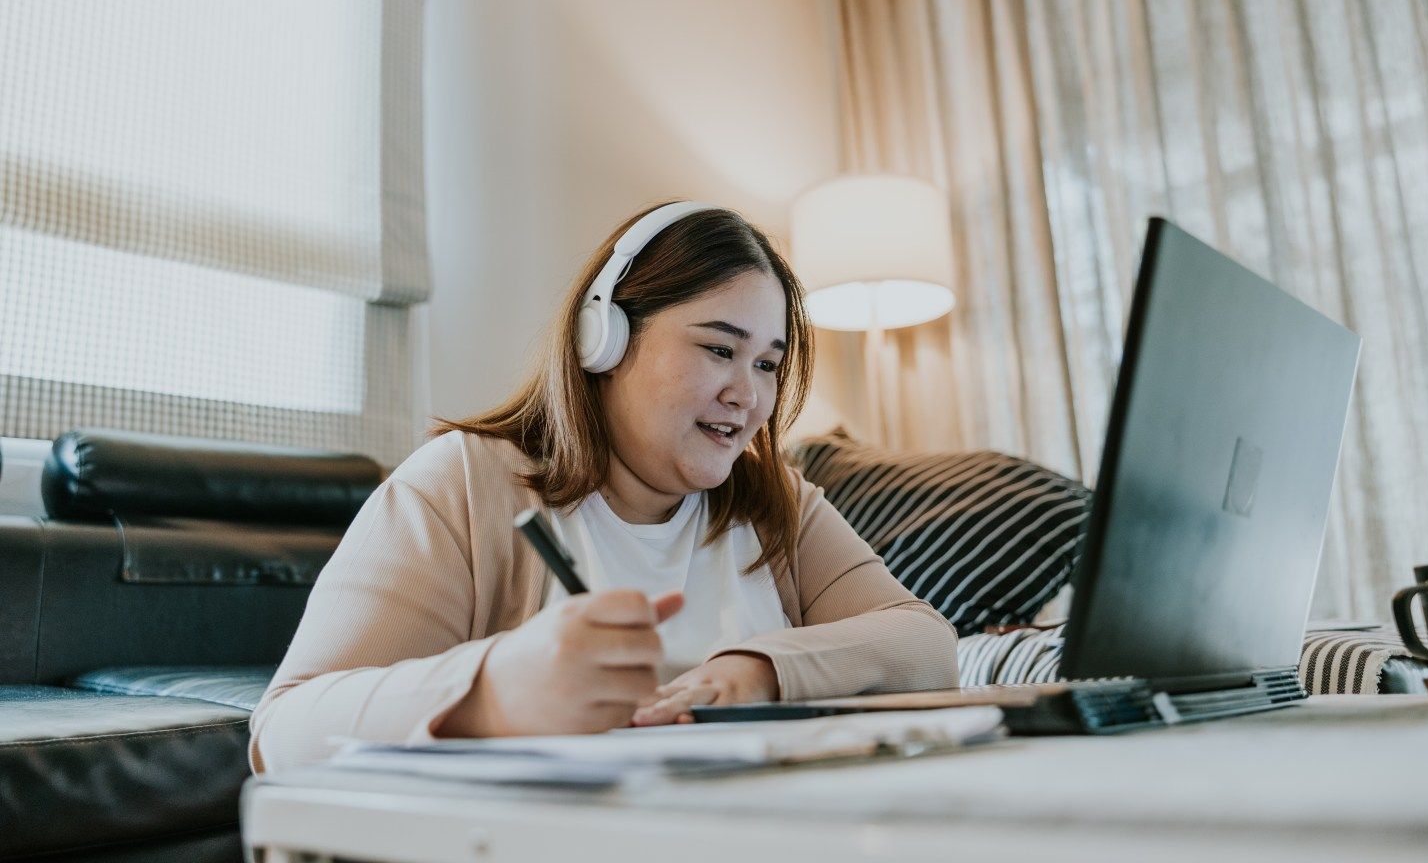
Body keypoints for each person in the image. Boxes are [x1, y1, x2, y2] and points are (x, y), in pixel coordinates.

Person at [248, 201, 960, 773]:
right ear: (605, 340)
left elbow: (927, 645)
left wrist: (761, 670)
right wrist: (491, 691)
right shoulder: (463, 484)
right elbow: (283, 732)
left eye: (769, 364)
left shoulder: (778, 502)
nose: (749, 394)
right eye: (719, 349)